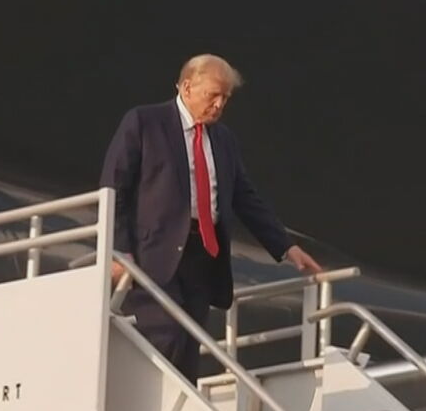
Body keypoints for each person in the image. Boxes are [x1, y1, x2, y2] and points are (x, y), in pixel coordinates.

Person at [100, 54, 321, 383]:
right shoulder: (146, 123)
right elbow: (114, 187)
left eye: (225, 99)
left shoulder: (224, 140)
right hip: (153, 257)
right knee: (166, 334)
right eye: (212, 95)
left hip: (202, 257)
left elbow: (245, 198)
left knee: (190, 346)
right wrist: (118, 251)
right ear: (187, 87)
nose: (218, 105)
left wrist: (286, 247)